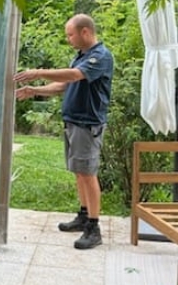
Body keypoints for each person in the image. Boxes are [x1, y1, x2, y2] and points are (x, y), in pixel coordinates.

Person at [13, 14, 114, 250]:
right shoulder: (80, 56)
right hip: (73, 122)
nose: (68, 39)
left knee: (88, 174)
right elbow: (63, 85)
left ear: (85, 32)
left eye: (70, 34)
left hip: (88, 124)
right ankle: (83, 215)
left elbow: (75, 75)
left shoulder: (100, 56)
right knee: (79, 172)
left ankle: (94, 227)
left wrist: (39, 71)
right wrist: (34, 90)